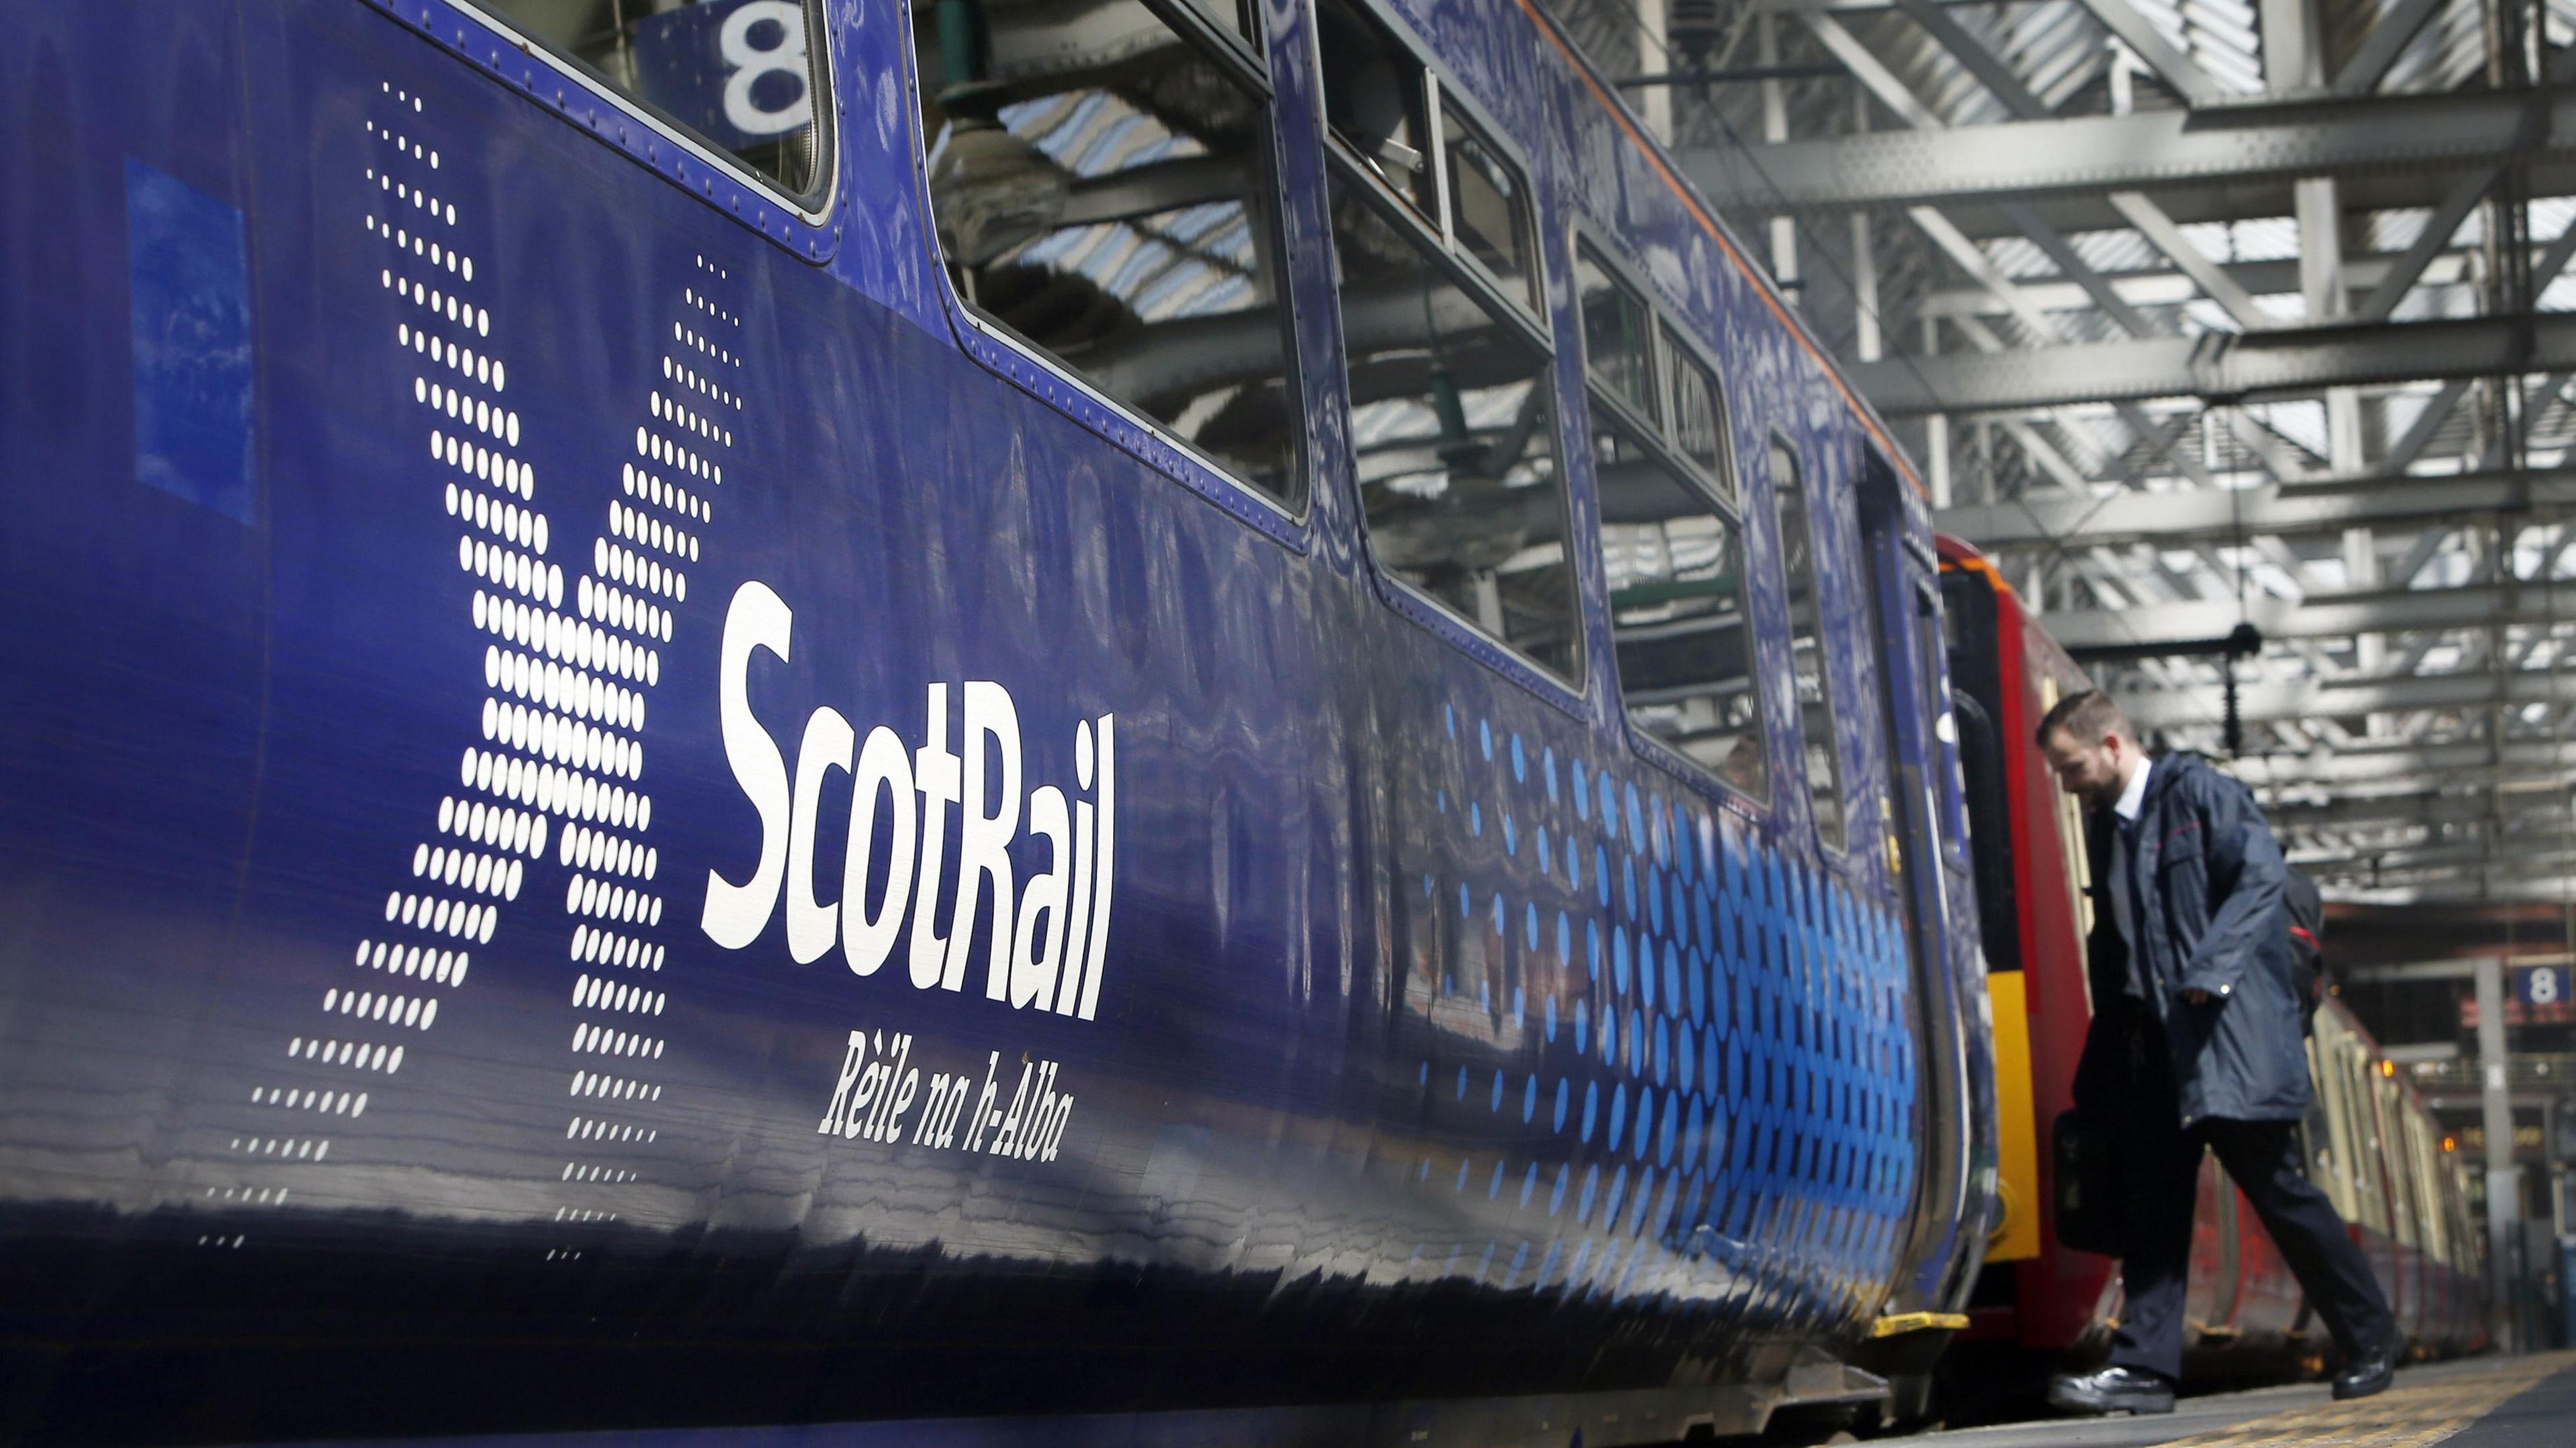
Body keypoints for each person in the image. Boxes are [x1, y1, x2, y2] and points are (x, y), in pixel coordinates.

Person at [2036, 690, 2397, 1415]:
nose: (2066, 782)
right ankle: (2142, 1367)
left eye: (2071, 765)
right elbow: (2118, 944)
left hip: (2222, 1042)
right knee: (2154, 1208)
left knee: (2282, 1194)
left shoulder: (2200, 792)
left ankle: (2371, 1338)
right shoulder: (2107, 825)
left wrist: (2213, 968)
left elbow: (2263, 874)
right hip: (2152, 1052)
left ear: (2111, 745)